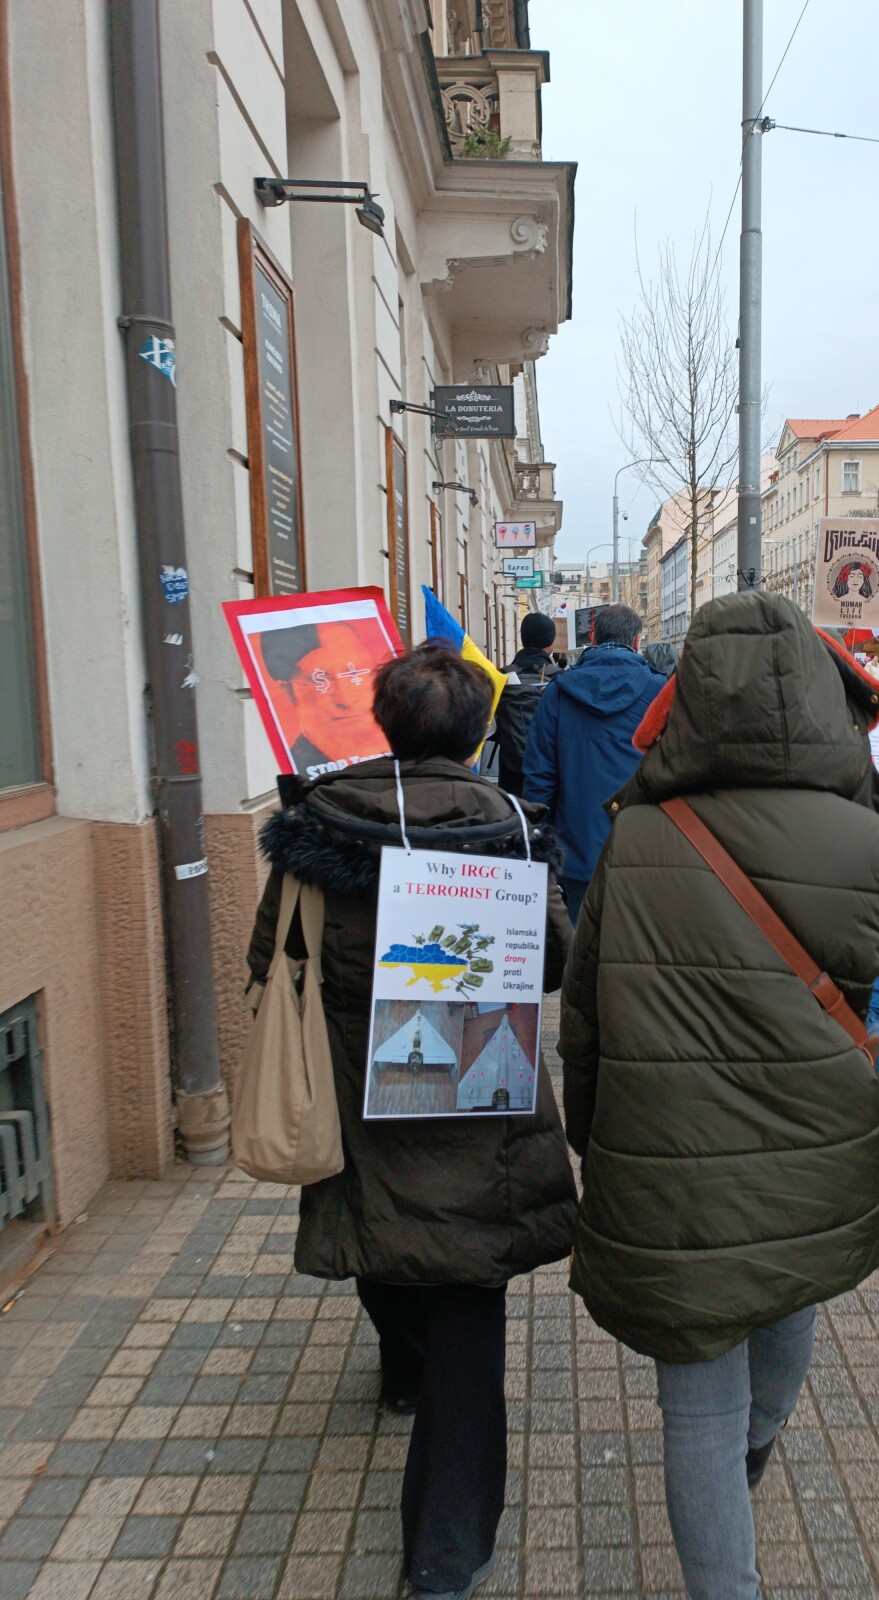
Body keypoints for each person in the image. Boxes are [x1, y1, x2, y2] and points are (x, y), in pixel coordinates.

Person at [559, 591, 879, 1600]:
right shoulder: (862, 836)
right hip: (814, 1141)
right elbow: (878, 956)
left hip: (667, 1160)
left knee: (695, 1413)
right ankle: (762, 1440)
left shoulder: (637, 835)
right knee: (788, 1292)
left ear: (692, 699)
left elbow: (585, 1012)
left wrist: (593, 1136)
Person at [246, 644, 577, 1600]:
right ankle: (445, 1554)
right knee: (467, 1305)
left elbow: (271, 959)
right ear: (477, 733)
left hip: (357, 1097)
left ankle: (402, 1367)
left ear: (384, 725)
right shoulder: (507, 825)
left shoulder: (319, 825)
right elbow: (553, 965)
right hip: (480, 1095)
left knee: (382, 1233)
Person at [523, 603, 665, 922]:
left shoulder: (558, 694)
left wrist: (539, 842)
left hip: (575, 849)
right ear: (637, 641)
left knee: (578, 941)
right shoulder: (660, 692)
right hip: (643, 850)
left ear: (592, 637)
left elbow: (539, 778)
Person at [257, 619, 391, 779]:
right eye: (320, 679)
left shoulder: (406, 749)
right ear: (289, 692)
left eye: (354, 673)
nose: (346, 699)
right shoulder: (298, 775)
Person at [490, 610, 561, 796]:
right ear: (551, 642)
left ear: (522, 639)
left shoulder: (502, 676)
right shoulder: (561, 679)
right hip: (550, 773)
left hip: (511, 774)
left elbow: (490, 727)